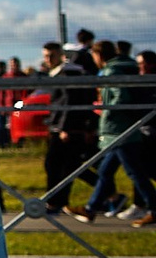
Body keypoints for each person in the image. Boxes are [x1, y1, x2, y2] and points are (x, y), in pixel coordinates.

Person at [84, 42, 153, 223]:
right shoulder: (129, 68)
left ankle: (154, 207)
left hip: (119, 130)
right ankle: (91, 208)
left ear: (99, 54)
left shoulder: (112, 71)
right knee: (106, 171)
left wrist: (106, 109)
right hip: (125, 128)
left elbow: (120, 97)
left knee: (135, 172)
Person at [40, 41, 100, 217]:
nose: (48, 59)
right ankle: (106, 193)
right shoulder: (63, 73)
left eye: (51, 56)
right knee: (68, 166)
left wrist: (64, 128)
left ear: (61, 55)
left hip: (68, 128)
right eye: (45, 56)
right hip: (66, 126)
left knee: (58, 165)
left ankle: (54, 202)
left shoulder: (68, 73)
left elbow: (69, 103)